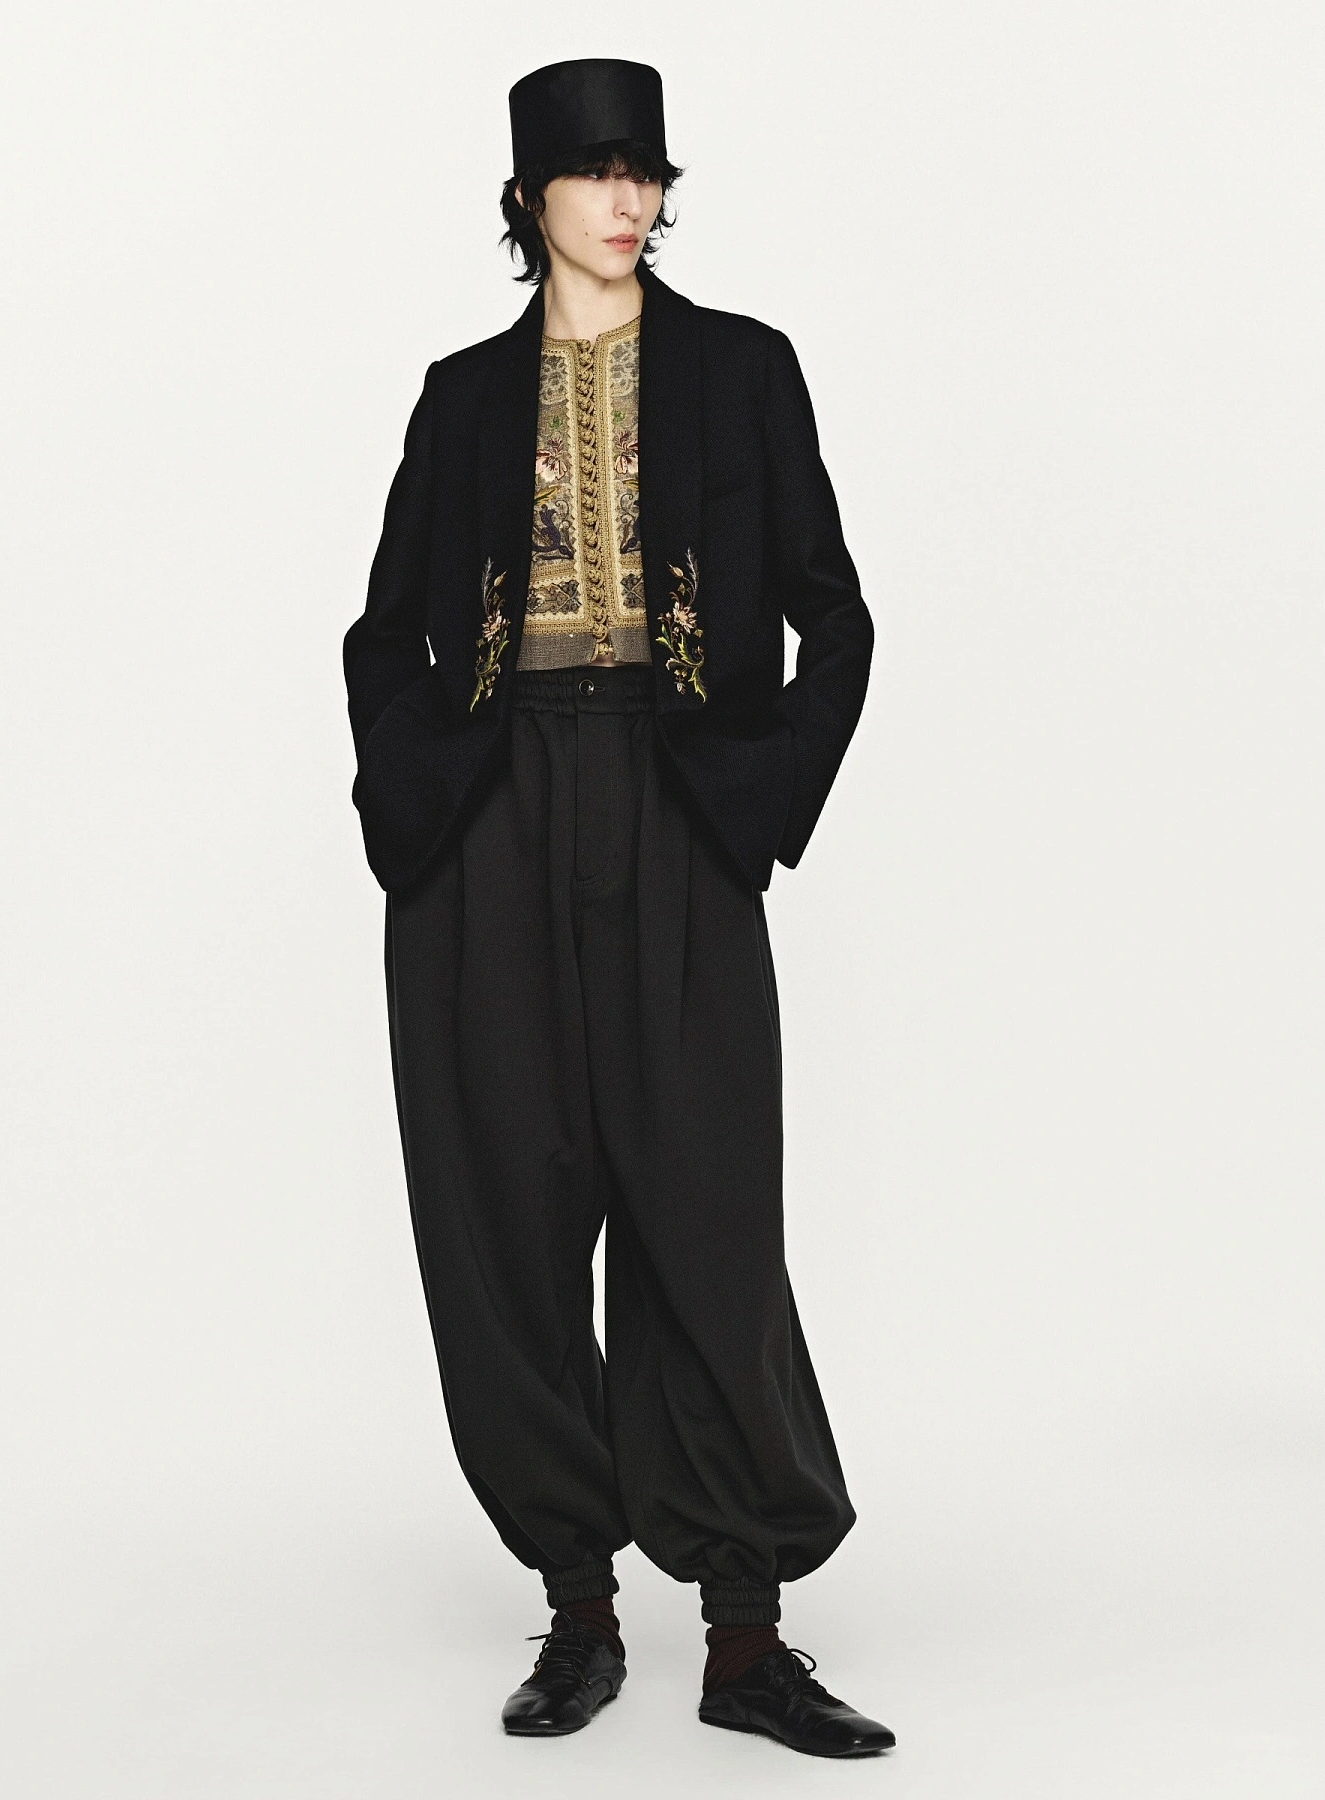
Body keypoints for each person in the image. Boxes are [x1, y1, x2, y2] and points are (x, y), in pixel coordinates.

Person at [342, 57, 894, 1758]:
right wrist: (418, 817)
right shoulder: (460, 398)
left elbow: (835, 614)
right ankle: (577, 1610)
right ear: (530, 200)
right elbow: (383, 634)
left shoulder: (742, 369)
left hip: (676, 801)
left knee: (704, 1205)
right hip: (494, 816)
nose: (627, 198)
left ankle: (745, 1638)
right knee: (506, 1210)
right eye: (593, 171)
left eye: (645, 170)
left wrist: (755, 801)